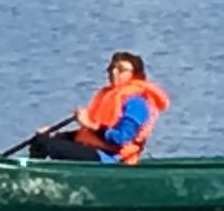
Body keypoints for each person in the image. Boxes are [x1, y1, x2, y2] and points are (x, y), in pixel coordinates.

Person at [24, 52, 168, 164]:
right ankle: (32, 175)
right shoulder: (107, 95)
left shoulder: (137, 103)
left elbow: (122, 138)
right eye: (111, 68)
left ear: (135, 75)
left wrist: (91, 125)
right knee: (41, 140)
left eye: (121, 70)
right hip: (92, 150)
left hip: (112, 158)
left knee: (49, 146)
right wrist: (57, 135)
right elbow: (87, 134)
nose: (113, 72)